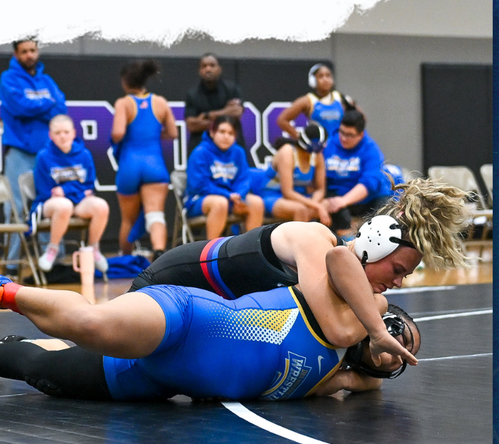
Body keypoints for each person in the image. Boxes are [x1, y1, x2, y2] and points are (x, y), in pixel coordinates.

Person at [129, 178, 470, 362]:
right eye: (397, 269)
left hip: (192, 315)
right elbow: (335, 332)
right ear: (376, 243)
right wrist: (376, 321)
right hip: (164, 283)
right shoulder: (314, 240)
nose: (397, 284)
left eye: (404, 276)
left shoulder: (341, 282)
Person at [0, 272, 420, 400]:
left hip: (157, 382)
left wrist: (377, 366)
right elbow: (342, 259)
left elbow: (368, 381)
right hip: (186, 319)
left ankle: (14, 346)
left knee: (40, 371)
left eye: (405, 359)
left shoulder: (336, 380)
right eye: (402, 337)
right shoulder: (336, 306)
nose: (396, 354)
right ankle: (7, 291)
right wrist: (379, 322)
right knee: (91, 325)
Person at [1, 39, 67, 277]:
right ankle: (11, 265)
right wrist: (47, 103)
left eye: (33, 50)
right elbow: (20, 107)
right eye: (24, 51)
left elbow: (61, 108)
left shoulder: (47, 80)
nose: (30, 55)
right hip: (18, 152)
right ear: (16, 54)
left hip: (45, 155)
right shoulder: (8, 79)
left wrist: (39, 105)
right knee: (16, 208)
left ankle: (52, 264)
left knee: (48, 204)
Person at [111, 59, 177, 259]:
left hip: (130, 165)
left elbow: (117, 133)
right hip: (154, 164)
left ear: (125, 81)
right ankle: (158, 252)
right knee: (155, 214)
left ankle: (126, 259)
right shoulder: (161, 102)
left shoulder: (124, 103)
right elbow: (173, 133)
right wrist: (154, 135)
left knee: (128, 221)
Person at [31, 115, 110, 273]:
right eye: (58, 132)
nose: (62, 136)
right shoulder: (43, 156)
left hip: (77, 201)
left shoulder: (84, 155)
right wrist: (76, 191)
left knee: (101, 206)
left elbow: (89, 185)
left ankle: (93, 249)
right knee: (64, 205)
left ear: (73, 133)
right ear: (50, 135)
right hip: (51, 204)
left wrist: (66, 190)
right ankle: (52, 250)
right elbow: (45, 191)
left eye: (66, 132)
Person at [184, 115, 263, 239]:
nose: (226, 136)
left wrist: (238, 195)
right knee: (220, 203)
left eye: (231, 133)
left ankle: (252, 250)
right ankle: (211, 253)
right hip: (199, 200)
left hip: (231, 198)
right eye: (222, 132)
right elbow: (199, 185)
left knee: (256, 203)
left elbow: (244, 178)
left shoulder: (238, 152)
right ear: (212, 132)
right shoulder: (200, 152)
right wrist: (227, 195)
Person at [322, 110, 394, 236]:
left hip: (367, 199)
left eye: (349, 135)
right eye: (342, 132)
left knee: (384, 210)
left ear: (360, 135)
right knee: (334, 210)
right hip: (337, 197)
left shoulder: (371, 150)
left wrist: (344, 200)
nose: (344, 138)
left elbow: (370, 182)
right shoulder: (328, 145)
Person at [252, 123, 330, 224]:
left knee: (327, 204)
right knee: (301, 210)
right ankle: (300, 239)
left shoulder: (317, 155)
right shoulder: (287, 152)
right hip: (274, 196)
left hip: (300, 197)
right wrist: (316, 206)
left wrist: (315, 204)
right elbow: (287, 192)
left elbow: (320, 189)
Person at [184, 53, 244, 157]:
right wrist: (225, 116)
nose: (208, 69)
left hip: (230, 149)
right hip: (202, 148)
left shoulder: (231, 89)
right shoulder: (192, 94)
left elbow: (237, 111)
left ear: (219, 69)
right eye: (204, 66)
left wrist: (209, 115)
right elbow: (191, 125)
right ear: (199, 71)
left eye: (212, 65)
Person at [276, 63, 358, 138]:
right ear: (313, 81)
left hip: (339, 146)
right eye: (321, 76)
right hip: (318, 147)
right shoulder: (307, 101)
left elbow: (360, 119)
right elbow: (282, 120)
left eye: (328, 76)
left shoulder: (341, 98)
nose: (325, 79)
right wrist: (301, 137)